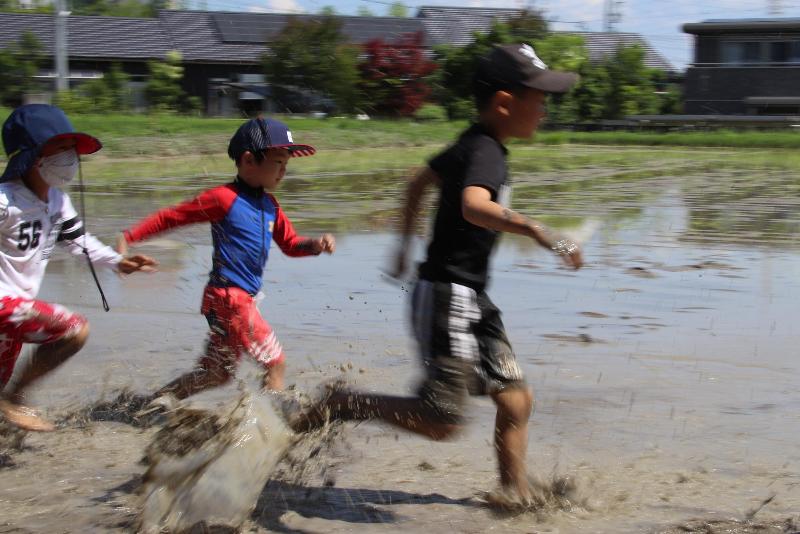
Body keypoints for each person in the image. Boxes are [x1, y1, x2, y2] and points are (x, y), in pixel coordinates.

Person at [292, 44, 584, 508]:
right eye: (540, 98)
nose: (546, 109)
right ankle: (344, 403)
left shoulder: (473, 142)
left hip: (469, 296)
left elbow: (417, 181)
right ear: (506, 103)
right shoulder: (485, 152)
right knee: (442, 419)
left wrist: (404, 245)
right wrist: (537, 229)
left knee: (515, 400)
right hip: (449, 296)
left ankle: (514, 492)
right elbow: (473, 205)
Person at [119, 117, 334, 399]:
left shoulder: (270, 205)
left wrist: (315, 245)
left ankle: (149, 405)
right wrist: (128, 237)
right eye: (278, 162)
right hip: (230, 299)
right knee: (276, 363)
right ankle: (276, 428)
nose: (283, 171)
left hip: (227, 302)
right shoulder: (223, 198)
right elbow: (173, 217)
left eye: (286, 164)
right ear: (248, 160)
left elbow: (291, 244)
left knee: (216, 374)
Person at [0, 104, 157, 432]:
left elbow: (79, 242)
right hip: (5, 304)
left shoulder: (57, 203)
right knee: (73, 329)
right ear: (32, 156)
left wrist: (118, 262)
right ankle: (16, 397)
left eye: (73, 149)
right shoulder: (6, 202)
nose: (70, 157)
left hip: (16, 312)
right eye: (61, 147)